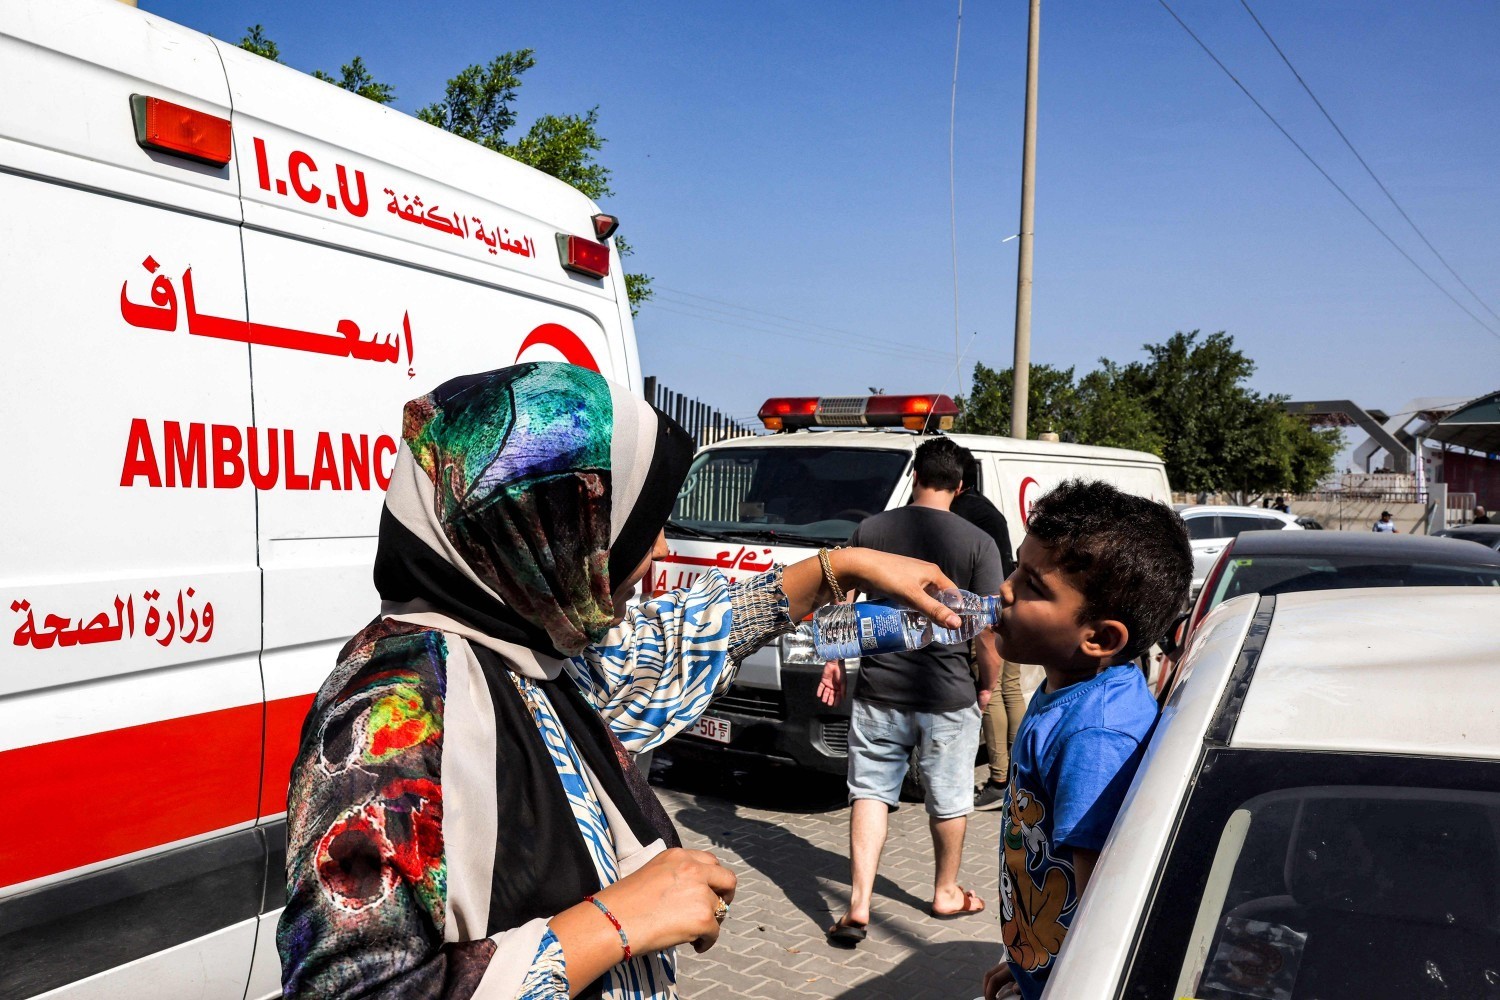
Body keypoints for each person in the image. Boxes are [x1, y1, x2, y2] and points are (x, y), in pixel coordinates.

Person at [276, 363, 963, 1000]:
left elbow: (664, 647)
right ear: (549, 523)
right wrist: (616, 921)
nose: (661, 548)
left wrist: (842, 568)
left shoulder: (525, 652)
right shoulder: (393, 711)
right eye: (635, 521)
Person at [981, 479, 1191, 1000]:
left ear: (1098, 637)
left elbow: (1100, 901)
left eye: (1033, 585)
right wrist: (1026, 961)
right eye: (1016, 568)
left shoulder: (1096, 736)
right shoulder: (1069, 689)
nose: (1005, 590)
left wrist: (1053, 980)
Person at [818, 436, 1005, 945]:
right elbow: (986, 631)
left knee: (871, 792)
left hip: (880, 690)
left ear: (914, 475)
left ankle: (858, 904)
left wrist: (833, 664)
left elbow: (844, 603)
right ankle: (946, 891)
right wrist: (987, 685)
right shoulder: (978, 543)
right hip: (948, 694)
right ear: (961, 486)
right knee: (948, 796)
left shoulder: (872, 529)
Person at [947, 450, 1024, 813]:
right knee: (1009, 688)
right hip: (1009, 603)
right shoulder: (985, 506)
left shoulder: (962, 512)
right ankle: (1016, 774)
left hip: (985, 609)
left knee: (989, 688)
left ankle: (997, 779)